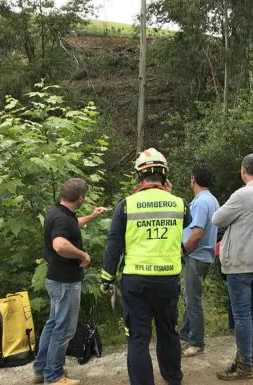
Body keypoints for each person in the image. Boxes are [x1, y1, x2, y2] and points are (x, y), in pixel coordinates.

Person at [100, 148, 191, 385]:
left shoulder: (127, 205)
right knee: (168, 332)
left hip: (136, 281)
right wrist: (168, 194)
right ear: (165, 176)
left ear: (139, 176)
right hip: (167, 280)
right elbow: (187, 222)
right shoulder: (180, 204)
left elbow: (114, 244)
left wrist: (107, 278)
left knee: (139, 337)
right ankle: (173, 379)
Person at [33, 178, 107, 385]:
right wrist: (82, 255)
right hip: (65, 283)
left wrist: (92, 216)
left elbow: (72, 225)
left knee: (52, 324)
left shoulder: (58, 213)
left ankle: (41, 369)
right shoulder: (62, 219)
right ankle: (54, 376)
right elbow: (59, 244)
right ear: (81, 197)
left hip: (56, 280)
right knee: (64, 329)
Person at [212, 153, 253, 380]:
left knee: (241, 314)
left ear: (243, 170)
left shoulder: (244, 194)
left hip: (240, 261)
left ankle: (244, 365)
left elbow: (217, 219)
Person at [180, 164, 219, 357]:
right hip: (201, 256)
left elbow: (197, 233)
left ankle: (196, 341)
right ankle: (185, 335)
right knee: (190, 298)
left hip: (196, 256)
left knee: (193, 300)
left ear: (193, 179)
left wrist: (183, 251)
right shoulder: (210, 199)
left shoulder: (202, 202)